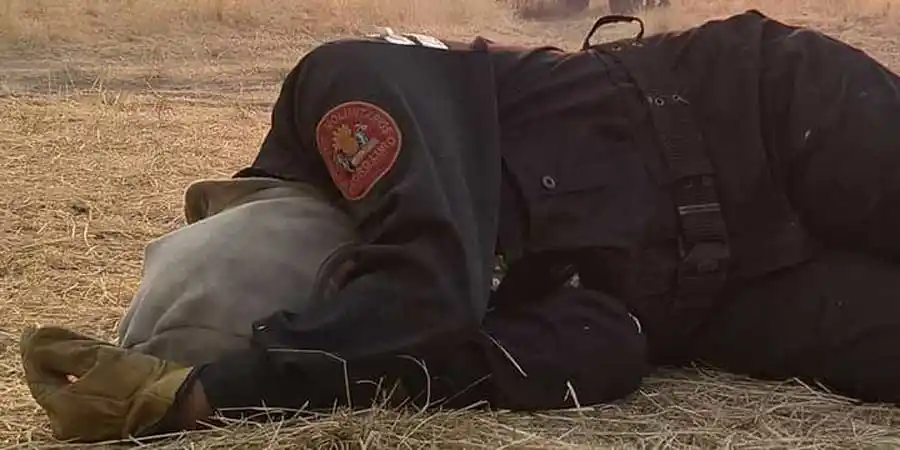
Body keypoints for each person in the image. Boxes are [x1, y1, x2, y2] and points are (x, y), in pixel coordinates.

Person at [19, 9, 900, 443]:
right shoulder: (408, 310)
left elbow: (427, 284)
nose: (349, 297)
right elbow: (604, 348)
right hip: (739, 294)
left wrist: (211, 393)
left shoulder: (338, 90)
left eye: (329, 297)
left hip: (763, 119)